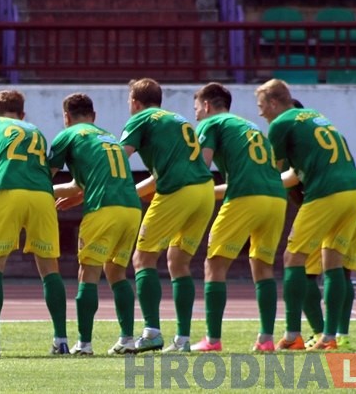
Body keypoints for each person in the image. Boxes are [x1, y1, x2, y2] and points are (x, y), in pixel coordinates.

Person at [255, 79, 356, 351]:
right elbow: (296, 172)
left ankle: (293, 335)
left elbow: (272, 169)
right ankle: (330, 337)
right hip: (354, 191)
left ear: (273, 103)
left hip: (325, 192)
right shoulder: (317, 116)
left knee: (293, 257)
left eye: (261, 106)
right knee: (333, 261)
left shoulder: (281, 123)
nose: (260, 114)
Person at [118, 78, 215, 353]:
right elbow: (159, 175)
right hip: (204, 190)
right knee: (178, 260)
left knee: (143, 257)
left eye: (129, 102)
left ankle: (151, 332)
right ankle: (183, 340)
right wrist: (131, 193)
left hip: (178, 191)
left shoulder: (140, 118)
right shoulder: (176, 119)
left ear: (135, 102)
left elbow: (117, 157)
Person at [191, 83, 287, 352]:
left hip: (245, 198)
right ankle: (266, 339)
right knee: (262, 266)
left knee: (215, 264)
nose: (196, 114)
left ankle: (212, 340)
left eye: (197, 108)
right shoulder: (249, 127)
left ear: (207, 105)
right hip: (275, 197)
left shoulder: (211, 124)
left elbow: (201, 169)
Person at [0, 90, 69, 357]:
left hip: (9, 192)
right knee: (49, 267)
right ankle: (61, 340)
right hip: (43, 195)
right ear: (22, 113)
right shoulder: (35, 130)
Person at [48, 93, 142, 356]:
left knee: (87, 273)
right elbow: (78, 185)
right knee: (116, 272)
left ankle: (85, 344)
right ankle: (127, 340)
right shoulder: (108, 137)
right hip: (132, 208)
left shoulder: (68, 135)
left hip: (103, 209)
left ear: (66, 116)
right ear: (94, 116)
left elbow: (44, 176)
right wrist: (68, 196)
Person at [303, 206, 356, 350]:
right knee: (344, 273)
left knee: (301, 271)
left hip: (327, 215)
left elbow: (293, 185)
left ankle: (322, 335)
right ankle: (341, 336)